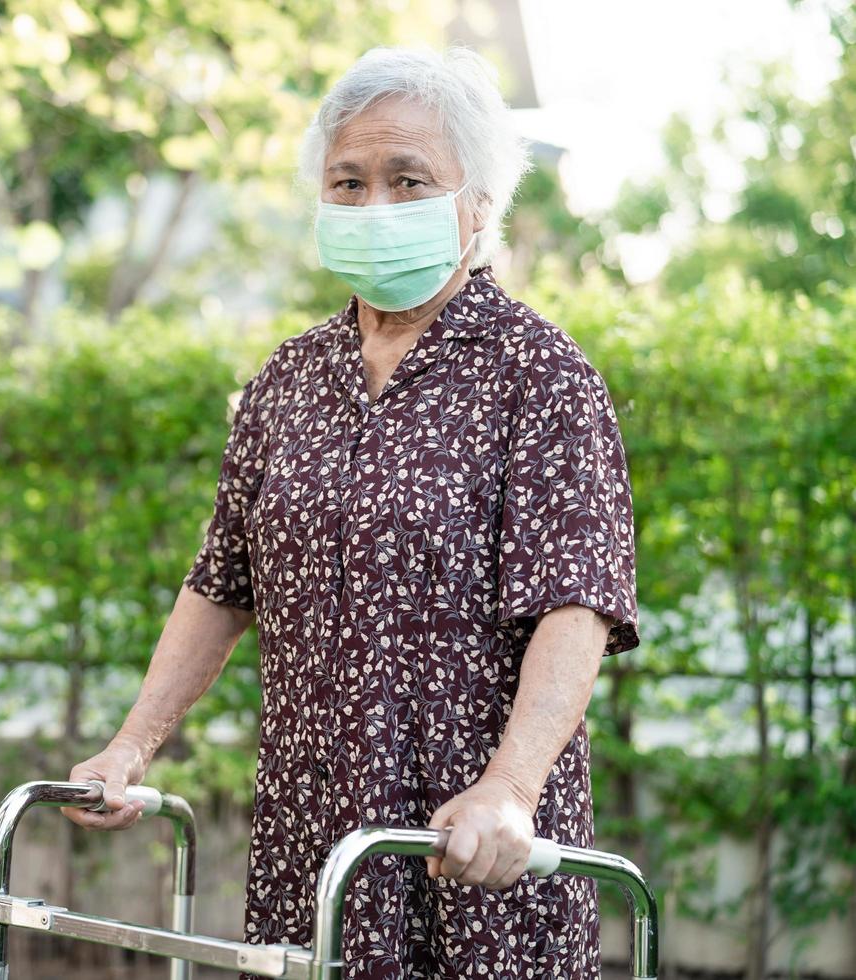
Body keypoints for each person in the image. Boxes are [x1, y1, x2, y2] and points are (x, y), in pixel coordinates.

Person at [61, 45, 639, 979]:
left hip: (467, 842)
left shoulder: (539, 374)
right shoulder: (289, 378)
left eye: (408, 180)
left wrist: (511, 788)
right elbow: (221, 585)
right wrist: (128, 747)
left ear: (478, 202)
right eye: (349, 181)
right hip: (310, 834)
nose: (375, 205)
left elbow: (577, 604)